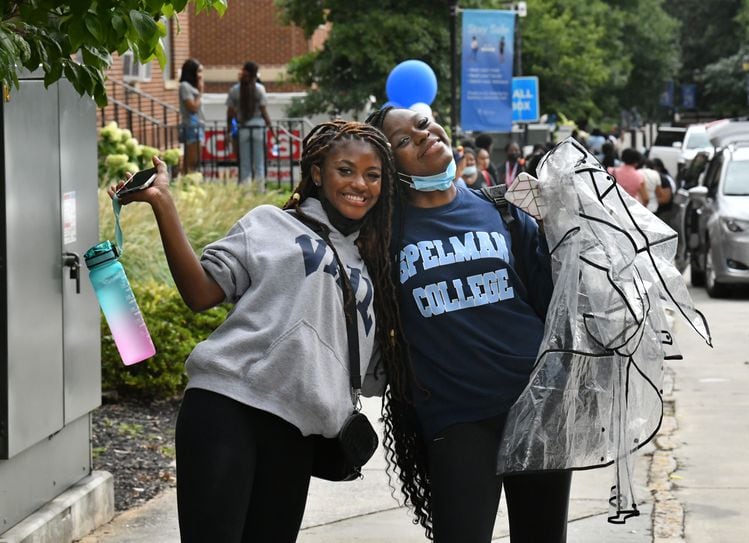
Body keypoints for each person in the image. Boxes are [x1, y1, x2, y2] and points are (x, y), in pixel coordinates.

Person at [108, 120, 402, 543]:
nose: (360, 184)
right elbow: (201, 293)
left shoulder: (370, 269)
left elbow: (376, 374)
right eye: (346, 170)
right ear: (317, 174)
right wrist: (162, 202)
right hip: (228, 406)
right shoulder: (269, 224)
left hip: (297, 432)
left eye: (372, 175)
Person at [367, 106, 572, 543]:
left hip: (536, 403)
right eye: (403, 141)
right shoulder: (382, 235)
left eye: (421, 124)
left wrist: (558, 223)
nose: (422, 136)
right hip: (458, 419)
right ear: (388, 166)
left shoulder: (500, 208)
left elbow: (549, 300)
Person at [226, 61, 274, 184]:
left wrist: (228, 131)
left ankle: (246, 193)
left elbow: (230, 113)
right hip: (258, 128)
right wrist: (272, 129)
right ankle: (260, 191)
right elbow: (264, 111)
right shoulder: (260, 89)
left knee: (244, 164)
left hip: (243, 129)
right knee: (259, 163)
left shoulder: (234, 90)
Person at [178, 58, 205, 174]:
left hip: (198, 125)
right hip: (191, 125)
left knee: (197, 160)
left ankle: (190, 182)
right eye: (198, 71)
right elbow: (192, 107)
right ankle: (186, 182)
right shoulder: (184, 86)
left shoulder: (193, 87)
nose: (200, 75)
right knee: (191, 160)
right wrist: (200, 93)